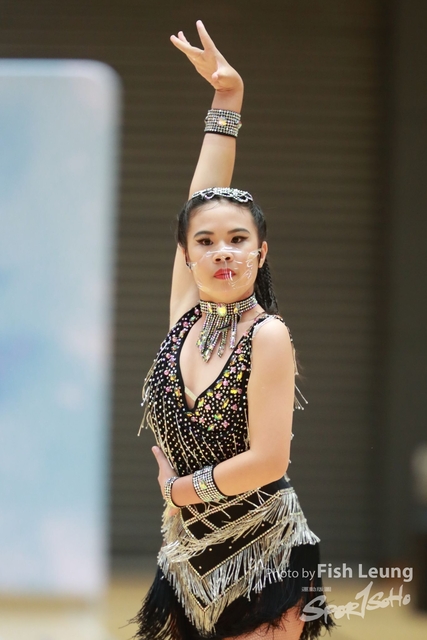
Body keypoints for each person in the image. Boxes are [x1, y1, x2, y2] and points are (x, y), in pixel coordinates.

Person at [130, 20, 336, 640]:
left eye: (238, 239)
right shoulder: (185, 316)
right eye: (206, 242)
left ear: (260, 252)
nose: (222, 250)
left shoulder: (268, 335)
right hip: (186, 559)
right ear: (187, 256)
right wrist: (226, 100)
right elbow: (202, 199)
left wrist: (182, 489)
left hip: (264, 557)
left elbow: (269, 460)